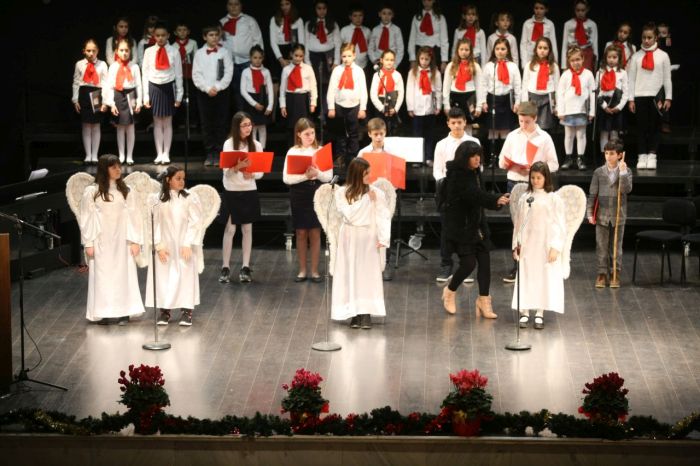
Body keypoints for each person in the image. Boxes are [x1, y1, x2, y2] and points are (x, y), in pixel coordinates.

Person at [440, 141, 509, 316]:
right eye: (473, 156)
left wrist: (495, 200)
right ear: (465, 157)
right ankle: (450, 291)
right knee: (468, 264)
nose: (477, 159)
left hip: (477, 224)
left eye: (479, 155)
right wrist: (494, 200)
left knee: (485, 263)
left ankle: (484, 301)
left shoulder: (475, 172)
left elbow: (478, 196)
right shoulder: (457, 175)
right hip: (462, 227)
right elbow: (473, 195)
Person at [79, 154, 144, 324]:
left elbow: (135, 216)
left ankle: (124, 312)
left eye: (119, 166)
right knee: (103, 276)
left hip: (122, 241)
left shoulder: (126, 191)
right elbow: (86, 218)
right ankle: (104, 312)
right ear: (104, 169)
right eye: (113, 167)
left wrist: (135, 241)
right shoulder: (93, 192)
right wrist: (88, 242)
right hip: (102, 241)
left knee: (123, 275)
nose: (118, 170)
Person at [498, 101, 559, 283]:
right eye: (520, 121)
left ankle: (535, 266)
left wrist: (535, 169)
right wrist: (509, 164)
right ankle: (517, 266)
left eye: (527, 122)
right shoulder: (512, 136)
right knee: (518, 227)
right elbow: (501, 161)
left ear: (535, 118)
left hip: (535, 185)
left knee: (536, 226)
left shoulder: (544, 138)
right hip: (515, 183)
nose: (523, 125)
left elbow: (554, 164)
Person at [332, 158, 391, 329]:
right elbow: (350, 215)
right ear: (357, 174)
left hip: (368, 238)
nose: (369, 176)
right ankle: (353, 312)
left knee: (367, 275)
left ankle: (366, 313)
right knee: (350, 273)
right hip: (350, 237)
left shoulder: (376, 193)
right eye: (366, 174)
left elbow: (383, 215)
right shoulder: (342, 193)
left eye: (369, 172)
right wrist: (366, 200)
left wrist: (383, 238)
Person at [511, 161, 566, 330]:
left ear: (546, 178)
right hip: (528, 244)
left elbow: (559, 225)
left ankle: (539, 312)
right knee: (526, 276)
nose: (535, 181)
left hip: (544, 244)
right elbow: (518, 223)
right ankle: (524, 311)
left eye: (539, 178)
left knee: (543, 277)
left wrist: (555, 247)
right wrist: (516, 245)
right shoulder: (525, 198)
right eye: (533, 177)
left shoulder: (553, 199)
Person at [148, 166, 203, 326]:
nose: (182, 181)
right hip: (166, 244)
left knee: (185, 274)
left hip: (183, 243)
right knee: (164, 275)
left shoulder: (189, 198)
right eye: (178, 178)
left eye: (183, 178)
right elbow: (154, 223)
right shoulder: (157, 200)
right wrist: (158, 245)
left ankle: (187, 311)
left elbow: (195, 222)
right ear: (168, 180)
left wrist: (187, 243)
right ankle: (165, 310)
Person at [283, 118, 333, 282]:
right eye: (306, 134)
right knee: (301, 232)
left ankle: (315, 271)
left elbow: (328, 177)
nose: (310, 136)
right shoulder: (293, 151)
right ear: (298, 134)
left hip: (316, 191)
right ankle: (302, 270)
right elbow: (287, 178)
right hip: (299, 193)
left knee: (315, 231)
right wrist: (305, 176)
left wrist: (317, 173)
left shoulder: (321, 150)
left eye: (312, 133)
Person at [433, 107, 480, 283]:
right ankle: (446, 264)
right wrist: (445, 184)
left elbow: (478, 166)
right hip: (448, 192)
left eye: (460, 122)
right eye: (453, 123)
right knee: (447, 230)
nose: (457, 126)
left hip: (468, 191)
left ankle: (466, 266)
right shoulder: (441, 144)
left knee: (468, 229)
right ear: (448, 124)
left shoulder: (473, 142)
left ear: (465, 122)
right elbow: (437, 169)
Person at [219, 112, 264, 284]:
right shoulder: (229, 144)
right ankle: (225, 267)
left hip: (248, 190)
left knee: (247, 229)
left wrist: (252, 174)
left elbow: (260, 172)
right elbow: (226, 172)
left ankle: (245, 266)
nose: (248, 128)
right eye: (244, 125)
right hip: (231, 190)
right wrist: (238, 166)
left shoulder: (256, 145)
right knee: (230, 229)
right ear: (237, 127)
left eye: (249, 124)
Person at [587, 139, 632, 289]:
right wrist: (589, 213)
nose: (608, 156)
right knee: (601, 246)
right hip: (602, 215)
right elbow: (592, 194)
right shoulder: (598, 172)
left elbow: (626, 190)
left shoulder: (626, 171)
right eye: (606, 153)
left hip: (618, 214)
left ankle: (615, 272)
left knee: (616, 246)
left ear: (619, 155)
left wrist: (623, 173)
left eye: (612, 153)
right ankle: (602, 273)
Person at [627, 23, 672, 170]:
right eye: (644, 37)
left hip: (656, 97)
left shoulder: (663, 56)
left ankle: (652, 155)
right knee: (641, 127)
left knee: (655, 127)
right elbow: (631, 79)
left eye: (649, 37)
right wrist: (631, 99)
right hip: (640, 95)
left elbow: (667, 79)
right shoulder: (636, 56)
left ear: (656, 38)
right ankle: (642, 155)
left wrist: (668, 97)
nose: (646, 40)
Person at [142, 21, 183, 165]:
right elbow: (145, 74)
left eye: (163, 35)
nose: (160, 38)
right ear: (154, 36)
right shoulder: (148, 51)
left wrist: (179, 95)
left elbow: (178, 74)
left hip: (168, 86)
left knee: (167, 121)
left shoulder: (174, 51)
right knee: (157, 122)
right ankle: (159, 153)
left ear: (168, 36)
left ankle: (166, 153)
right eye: (157, 35)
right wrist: (146, 95)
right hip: (154, 86)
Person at [193, 25, 234, 167]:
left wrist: (217, 87)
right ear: (204, 37)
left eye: (216, 35)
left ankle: (220, 152)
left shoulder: (224, 52)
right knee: (207, 123)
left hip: (221, 92)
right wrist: (207, 88)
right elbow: (196, 74)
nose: (214, 38)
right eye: (211, 35)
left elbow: (228, 72)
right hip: (204, 93)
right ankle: (210, 153)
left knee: (221, 123)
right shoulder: (199, 54)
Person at [327, 42, 368, 169]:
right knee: (340, 134)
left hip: (354, 106)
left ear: (354, 55)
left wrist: (363, 108)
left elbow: (363, 91)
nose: (346, 59)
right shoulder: (337, 70)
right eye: (344, 56)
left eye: (349, 56)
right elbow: (331, 89)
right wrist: (331, 107)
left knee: (353, 133)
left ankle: (353, 158)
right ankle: (340, 157)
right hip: (339, 105)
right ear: (340, 56)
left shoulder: (359, 71)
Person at [481, 37, 521, 167]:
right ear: (494, 50)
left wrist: (517, 102)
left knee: (505, 130)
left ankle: (504, 158)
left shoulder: (513, 66)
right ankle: (492, 158)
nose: (500, 51)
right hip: (492, 99)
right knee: (492, 130)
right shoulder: (489, 66)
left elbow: (517, 85)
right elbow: (483, 85)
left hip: (506, 100)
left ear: (508, 50)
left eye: (503, 49)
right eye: (497, 49)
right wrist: (483, 101)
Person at [220, 0, 265, 112]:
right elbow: (219, 42)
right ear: (227, 6)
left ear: (241, 5)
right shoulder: (222, 22)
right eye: (230, 4)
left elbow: (257, 40)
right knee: (236, 92)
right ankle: (241, 117)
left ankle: (252, 116)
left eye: (236, 4)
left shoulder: (249, 20)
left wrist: (257, 60)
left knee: (251, 89)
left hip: (247, 62)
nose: (233, 7)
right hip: (230, 63)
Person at [104, 38, 142, 165]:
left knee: (130, 127)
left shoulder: (134, 67)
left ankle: (130, 156)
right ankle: (121, 155)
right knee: (120, 127)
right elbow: (109, 86)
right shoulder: (113, 67)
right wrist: (111, 103)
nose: (124, 53)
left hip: (131, 95)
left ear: (130, 51)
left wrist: (139, 101)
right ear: (116, 51)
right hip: (118, 95)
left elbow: (139, 85)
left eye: (126, 50)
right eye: (121, 50)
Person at [557, 45, 595, 170]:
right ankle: (568, 158)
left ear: (583, 59)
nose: (575, 63)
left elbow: (592, 94)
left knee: (581, 135)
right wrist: (561, 110)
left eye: (578, 59)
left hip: (582, 110)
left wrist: (592, 111)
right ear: (569, 61)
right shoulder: (565, 75)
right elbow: (560, 94)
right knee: (569, 135)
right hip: (568, 110)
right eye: (572, 60)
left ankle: (580, 158)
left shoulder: (588, 74)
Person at [72, 39, 108, 165]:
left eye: (93, 50)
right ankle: (88, 155)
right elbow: (76, 82)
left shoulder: (102, 64)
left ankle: (95, 155)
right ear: (84, 51)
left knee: (96, 125)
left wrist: (105, 102)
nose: (91, 53)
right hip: (84, 94)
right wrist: (75, 99)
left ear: (97, 51)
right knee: (86, 125)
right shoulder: (79, 64)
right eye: (88, 50)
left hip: (97, 94)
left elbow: (105, 83)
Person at [305, 0, 341, 120]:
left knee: (327, 86)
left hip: (328, 56)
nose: (321, 11)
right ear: (315, 10)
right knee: (314, 85)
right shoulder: (309, 24)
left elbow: (337, 43)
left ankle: (325, 114)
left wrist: (336, 62)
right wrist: (307, 62)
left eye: (324, 8)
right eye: (319, 8)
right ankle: (314, 113)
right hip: (313, 57)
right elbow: (306, 43)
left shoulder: (333, 24)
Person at [406, 46, 442, 166]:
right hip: (417, 109)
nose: (424, 61)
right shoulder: (413, 72)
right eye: (422, 59)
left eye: (427, 59)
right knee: (417, 135)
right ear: (418, 58)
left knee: (430, 134)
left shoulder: (435, 73)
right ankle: (417, 159)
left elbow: (438, 91)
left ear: (431, 59)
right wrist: (410, 107)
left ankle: (429, 157)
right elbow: (409, 91)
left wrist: (438, 106)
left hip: (430, 109)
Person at [442, 38, 483, 136]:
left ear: (470, 51)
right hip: (455, 97)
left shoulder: (475, 66)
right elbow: (446, 86)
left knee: (468, 124)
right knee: (455, 123)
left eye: (466, 50)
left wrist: (479, 106)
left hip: (469, 98)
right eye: (461, 49)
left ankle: (468, 143)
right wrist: (446, 104)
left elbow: (480, 86)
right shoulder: (451, 65)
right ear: (457, 50)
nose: (464, 52)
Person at [279, 44, 318, 146]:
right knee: (291, 127)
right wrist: (282, 105)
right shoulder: (286, 69)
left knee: (305, 126)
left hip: (304, 99)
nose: (298, 58)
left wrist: (313, 103)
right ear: (291, 54)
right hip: (291, 99)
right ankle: (292, 149)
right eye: (296, 55)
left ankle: (305, 147)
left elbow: (313, 86)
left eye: (301, 56)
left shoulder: (308, 68)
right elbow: (282, 89)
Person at [521, 37, 560, 132]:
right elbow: (525, 85)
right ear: (536, 49)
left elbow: (557, 87)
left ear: (549, 50)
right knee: (531, 127)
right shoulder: (529, 65)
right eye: (540, 48)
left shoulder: (554, 66)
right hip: (532, 99)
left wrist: (558, 105)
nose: (542, 50)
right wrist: (525, 104)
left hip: (547, 100)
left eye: (545, 48)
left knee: (545, 129)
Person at [597, 45, 629, 156]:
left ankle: (614, 156)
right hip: (604, 105)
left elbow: (626, 92)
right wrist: (604, 106)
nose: (611, 60)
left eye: (614, 57)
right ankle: (604, 157)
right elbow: (597, 91)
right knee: (604, 132)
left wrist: (619, 107)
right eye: (609, 57)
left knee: (615, 132)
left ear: (619, 58)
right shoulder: (600, 72)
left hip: (617, 105)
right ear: (605, 57)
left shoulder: (622, 73)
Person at [240, 45, 274, 148]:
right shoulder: (245, 72)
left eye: (260, 57)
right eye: (255, 57)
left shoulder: (266, 72)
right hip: (251, 101)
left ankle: (262, 150)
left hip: (262, 98)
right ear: (250, 58)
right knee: (252, 127)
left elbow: (270, 90)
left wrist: (270, 106)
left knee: (262, 127)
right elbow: (243, 91)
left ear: (263, 58)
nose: (257, 60)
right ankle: (254, 149)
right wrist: (254, 104)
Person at [369, 49, 404, 135]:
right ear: (381, 60)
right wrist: (382, 108)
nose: (389, 62)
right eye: (387, 60)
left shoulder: (397, 75)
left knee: (393, 131)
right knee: (380, 130)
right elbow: (373, 94)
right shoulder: (377, 75)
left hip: (393, 105)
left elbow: (401, 93)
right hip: (380, 106)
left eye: (391, 60)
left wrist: (396, 109)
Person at [408, 0, 449, 72]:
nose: (427, 3)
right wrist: (412, 59)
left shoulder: (440, 18)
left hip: (435, 52)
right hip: (419, 51)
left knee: (434, 76)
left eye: (429, 0)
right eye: (424, 0)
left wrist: (444, 61)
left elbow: (444, 40)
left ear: (434, 1)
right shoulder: (416, 17)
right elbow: (412, 39)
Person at [269, 0, 305, 81]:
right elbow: (273, 41)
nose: (284, 7)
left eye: (287, 4)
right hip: (278, 52)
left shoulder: (298, 20)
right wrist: (281, 59)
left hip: (293, 51)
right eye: (282, 5)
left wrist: (295, 57)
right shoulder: (274, 19)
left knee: (292, 79)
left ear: (291, 4)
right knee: (277, 79)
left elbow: (301, 42)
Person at [172, 21, 199, 130]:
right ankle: (181, 121)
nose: (182, 32)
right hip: (179, 75)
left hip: (191, 74)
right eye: (179, 30)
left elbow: (197, 58)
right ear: (175, 32)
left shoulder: (193, 43)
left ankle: (192, 121)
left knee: (192, 98)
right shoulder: (173, 46)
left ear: (188, 31)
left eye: (184, 30)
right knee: (180, 98)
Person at [519, 1, 558, 71]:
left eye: (541, 8)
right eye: (536, 8)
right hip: (529, 57)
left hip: (544, 57)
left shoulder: (550, 24)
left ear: (546, 10)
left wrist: (555, 62)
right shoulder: (527, 23)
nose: (538, 11)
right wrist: (524, 63)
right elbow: (523, 44)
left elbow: (553, 44)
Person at [561, 0, 598, 72]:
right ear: (574, 10)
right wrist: (563, 65)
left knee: (585, 75)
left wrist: (595, 63)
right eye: (578, 10)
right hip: (572, 52)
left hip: (587, 54)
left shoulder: (592, 24)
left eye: (583, 10)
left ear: (587, 10)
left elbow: (595, 44)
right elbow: (564, 45)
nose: (580, 13)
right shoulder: (568, 24)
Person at [368, 3, 405, 69]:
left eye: (389, 14)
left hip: (392, 63)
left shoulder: (396, 30)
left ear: (393, 15)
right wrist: (375, 61)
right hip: (378, 62)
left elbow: (400, 49)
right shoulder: (375, 30)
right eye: (384, 13)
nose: (386, 16)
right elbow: (370, 48)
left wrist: (395, 64)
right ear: (379, 14)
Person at [340, 4, 371, 71]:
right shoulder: (344, 30)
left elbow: (370, 47)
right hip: (347, 65)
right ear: (350, 17)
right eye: (355, 16)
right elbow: (340, 47)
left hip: (363, 65)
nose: (358, 18)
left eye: (360, 15)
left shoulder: (367, 31)